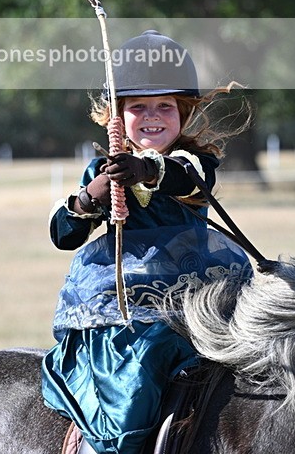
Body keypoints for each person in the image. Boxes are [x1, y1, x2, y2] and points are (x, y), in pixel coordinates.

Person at [41, 30, 253, 454]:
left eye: (165, 107)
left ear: (183, 113)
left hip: (203, 293)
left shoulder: (194, 161)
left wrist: (144, 169)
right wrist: (89, 198)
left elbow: (185, 179)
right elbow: (64, 235)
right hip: (129, 304)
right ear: (116, 116)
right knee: (140, 372)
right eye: (138, 107)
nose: (153, 116)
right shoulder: (100, 171)